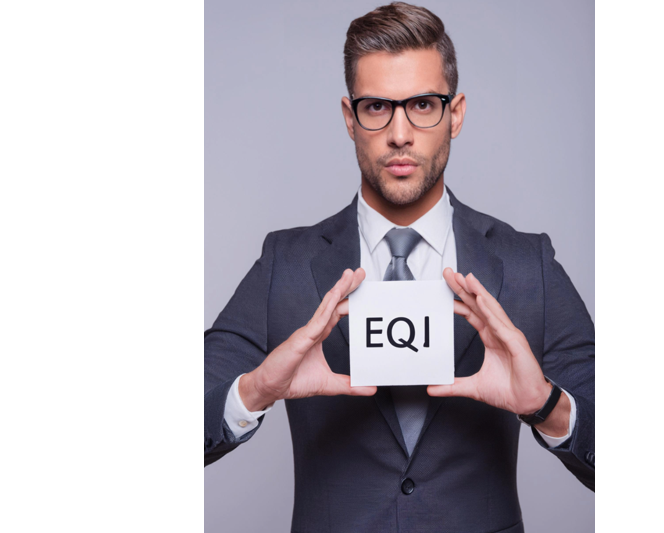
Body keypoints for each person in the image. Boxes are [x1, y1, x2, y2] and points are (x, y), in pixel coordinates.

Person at [205, 3, 594, 532]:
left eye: (422, 105)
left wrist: (547, 406)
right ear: (350, 118)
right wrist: (253, 391)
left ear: (455, 113)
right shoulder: (286, 265)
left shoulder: (529, 266)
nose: (400, 133)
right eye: (376, 108)